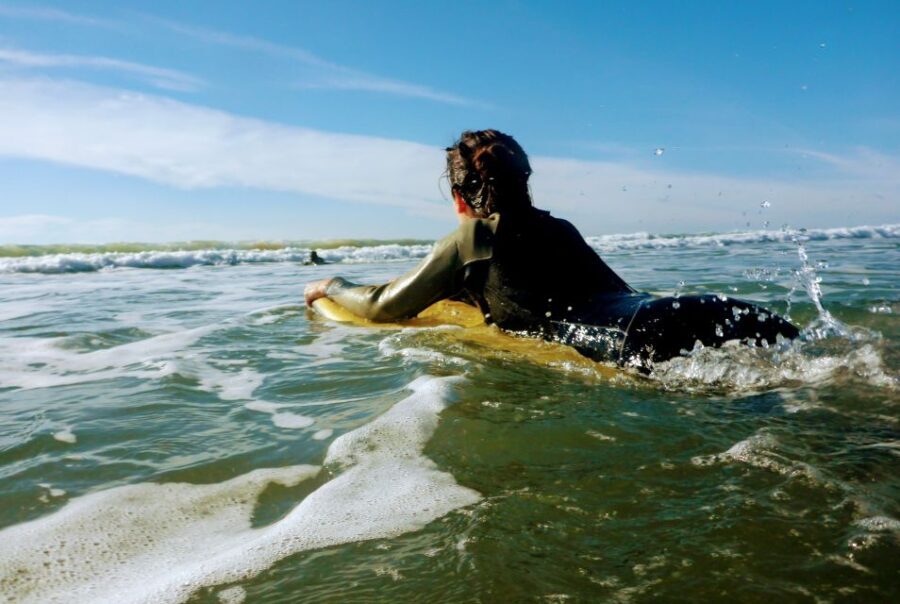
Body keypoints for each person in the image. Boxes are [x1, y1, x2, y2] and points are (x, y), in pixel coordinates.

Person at [305, 130, 798, 372]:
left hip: (638, 344)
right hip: (702, 310)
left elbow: (382, 306)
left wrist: (331, 285)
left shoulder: (471, 239)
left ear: (459, 196)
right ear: (526, 183)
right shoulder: (560, 229)